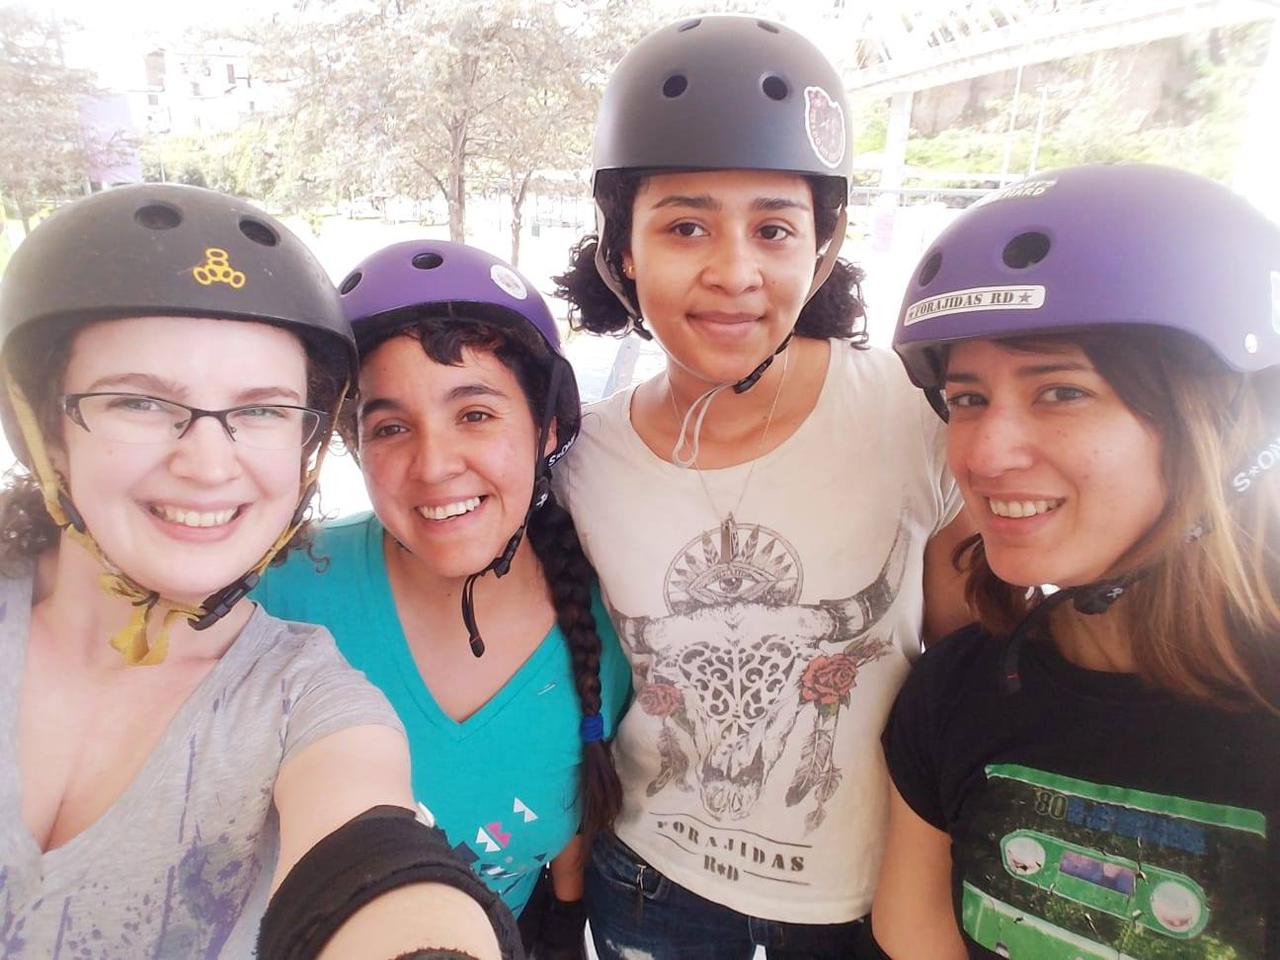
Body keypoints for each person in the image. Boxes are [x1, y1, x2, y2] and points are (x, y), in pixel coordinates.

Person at [0, 184, 520, 960]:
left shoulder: (303, 695)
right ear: (45, 425)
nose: (209, 464)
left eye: (263, 410)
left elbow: (371, 855)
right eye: (138, 402)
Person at [552, 14, 973, 958]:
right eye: (685, 225)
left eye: (774, 228)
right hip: (649, 886)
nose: (734, 271)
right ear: (622, 250)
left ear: (822, 251)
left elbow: (969, 666)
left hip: (865, 900)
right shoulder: (587, 456)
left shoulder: (914, 414)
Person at [874, 163, 1280, 959]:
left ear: (1222, 427)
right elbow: (914, 927)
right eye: (968, 399)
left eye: (1060, 392)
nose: (986, 454)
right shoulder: (955, 689)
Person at [252, 240, 631, 958]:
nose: (433, 466)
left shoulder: (612, 620)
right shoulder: (282, 592)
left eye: (476, 415)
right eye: (390, 427)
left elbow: (573, 832)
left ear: (547, 426)